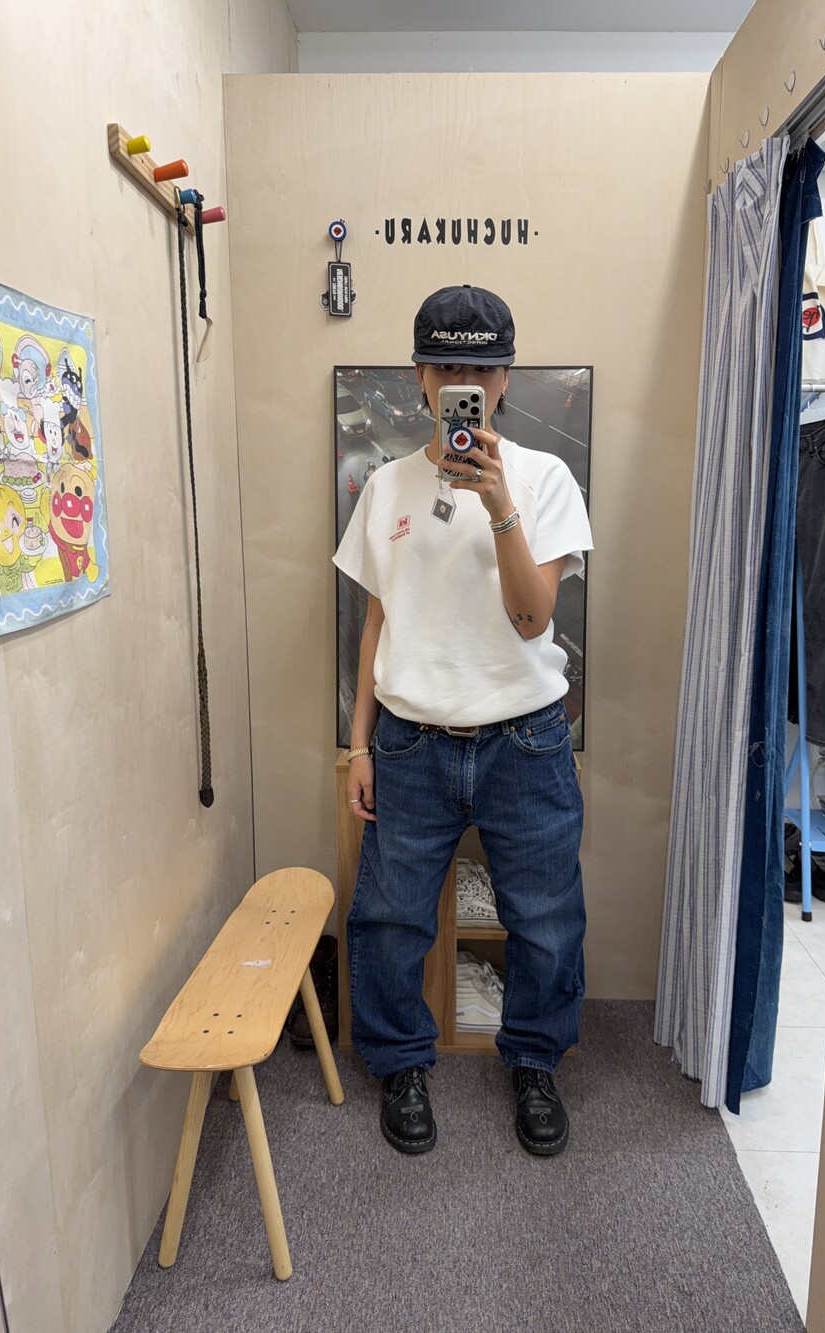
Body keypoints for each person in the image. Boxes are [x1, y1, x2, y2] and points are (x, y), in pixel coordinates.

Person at [332, 284, 592, 1157]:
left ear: (505, 379)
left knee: (545, 920)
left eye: (479, 369)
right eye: (445, 366)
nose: (461, 383)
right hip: (408, 741)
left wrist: (499, 503)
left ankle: (535, 1062)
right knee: (390, 917)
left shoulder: (545, 480)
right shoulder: (385, 486)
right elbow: (376, 622)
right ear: (419, 375)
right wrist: (358, 744)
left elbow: (532, 618)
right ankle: (401, 1061)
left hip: (527, 738)